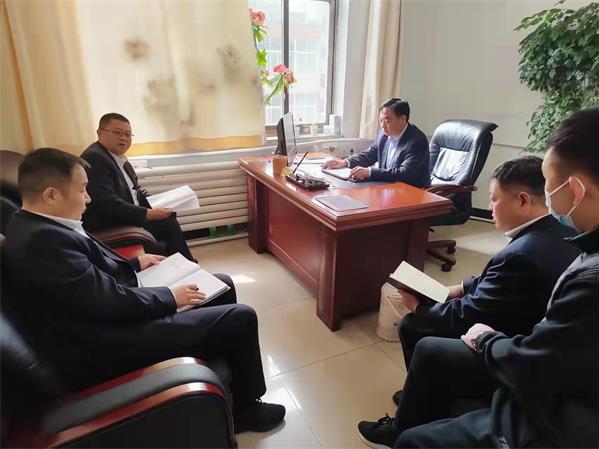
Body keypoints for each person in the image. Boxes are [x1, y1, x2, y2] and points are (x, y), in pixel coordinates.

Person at [357, 107, 599, 448]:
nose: (549, 198)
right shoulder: (570, 234)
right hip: (523, 334)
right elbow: (495, 280)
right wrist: (460, 287)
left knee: (420, 337)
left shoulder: (540, 258)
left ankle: (408, 421)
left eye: (549, 186)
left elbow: (479, 318)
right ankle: (422, 394)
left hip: (521, 364)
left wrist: (424, 310)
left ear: (574, 190)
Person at [4, 148, 285, 433]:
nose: (88, 198)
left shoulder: (34, 223)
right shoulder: (43, 244)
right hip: (108, 342)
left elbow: (88, 275)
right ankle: (245, 412)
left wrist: (135, 263)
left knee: (221, 285)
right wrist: (170, 297)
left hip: (105, 317)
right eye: (82, 190)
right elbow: (108, 302)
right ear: (51, 195)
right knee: (241, 317)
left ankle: (227, 382)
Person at [394, 156, 581, 378]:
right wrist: (460, 288)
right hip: (535, 323)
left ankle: (425, 392)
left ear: (523, 201)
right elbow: (502, 281)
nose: (490, 207)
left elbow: (469, 315)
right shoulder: (565, 228)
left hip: (515, 347)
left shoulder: (522, 254)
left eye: (494, 199)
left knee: (412, 325)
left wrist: (418, 308)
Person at [81, 113, 195, 261]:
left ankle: (183, 264)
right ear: (99, 133)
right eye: (117, 132)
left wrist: (159, 202)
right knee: (167, 223)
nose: (123, 138)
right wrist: (149, 213)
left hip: (125, 215)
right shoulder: (95, 158)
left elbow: (135, 191)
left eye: (128, 134)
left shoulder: (119, 159)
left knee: (168, 217)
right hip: (110, 223)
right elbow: (107, 204)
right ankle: (187, 264)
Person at [322, 98, 429, 186]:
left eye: (387, 121)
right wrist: (345, 162)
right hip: (388, 187)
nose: (382, 126)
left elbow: (404, 173)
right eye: (380, 121)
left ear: (402, 119)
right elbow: (368, 156)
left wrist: (370, 172)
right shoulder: (383, 134)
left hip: (412, 193)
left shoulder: (417, 141)